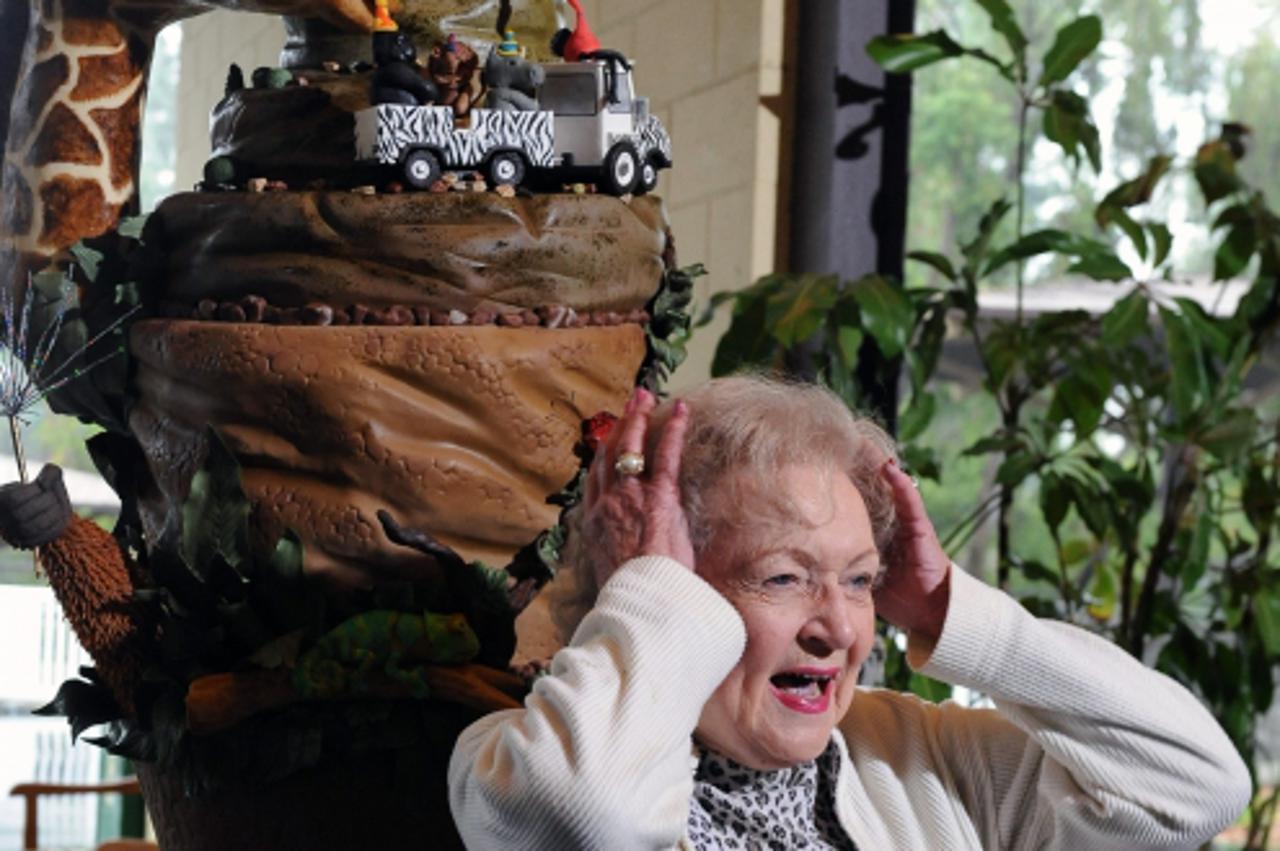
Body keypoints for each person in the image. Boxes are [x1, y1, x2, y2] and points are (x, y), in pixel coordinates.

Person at [448, 375, 1251, 850]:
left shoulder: (916, 759)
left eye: (861, 581)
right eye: (785, 577)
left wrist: (949, 612)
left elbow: (1195, 785)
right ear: (667, 586)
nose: (837, 628)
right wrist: (651, 591)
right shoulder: (517, 755)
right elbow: (583, 814)